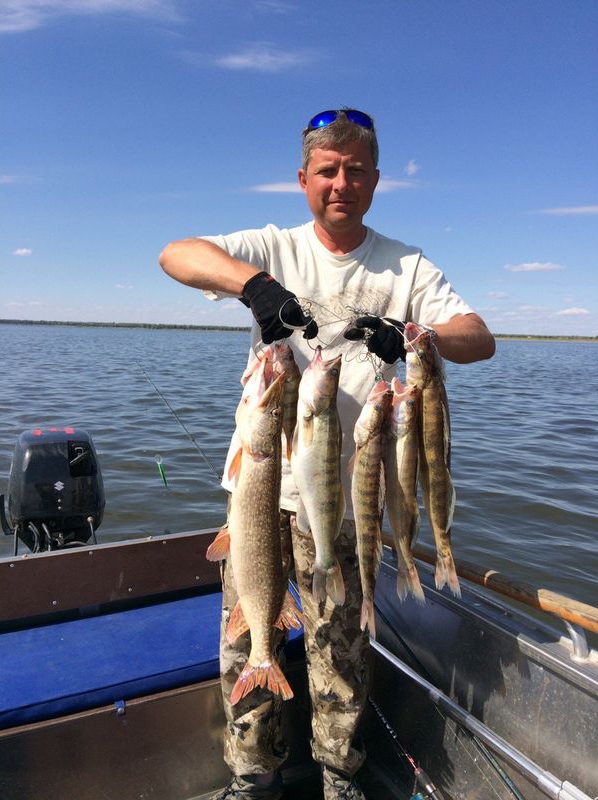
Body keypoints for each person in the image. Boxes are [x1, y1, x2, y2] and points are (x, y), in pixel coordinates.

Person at [159, 108, 495, 800]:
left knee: (339, 656)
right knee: (245, 644)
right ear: (303, 179)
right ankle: (253, 776)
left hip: (344, 506)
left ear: (375, 180)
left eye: (356, 170)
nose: (342, 183)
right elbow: (176, 255)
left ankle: (340, 776)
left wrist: (419, 335)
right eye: (328, 170)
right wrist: (253, 286)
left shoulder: (406, 265)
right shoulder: (272, 246)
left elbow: (479, 337)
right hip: (262, 496)